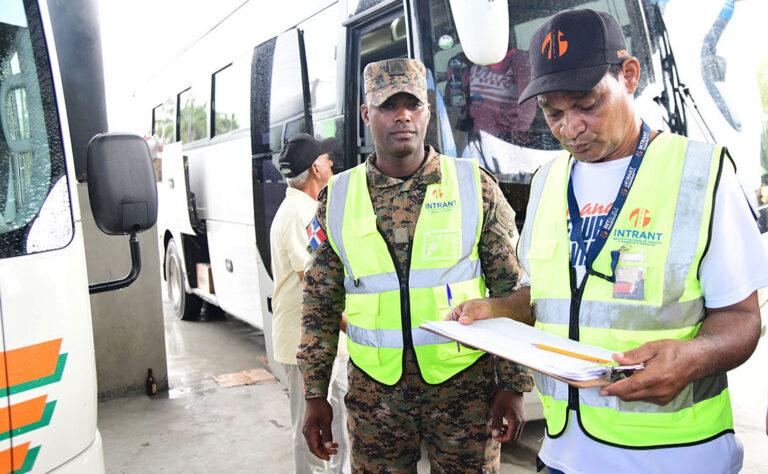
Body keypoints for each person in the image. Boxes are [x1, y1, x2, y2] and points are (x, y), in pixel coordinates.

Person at [453, 9, 768, 474]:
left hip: (676, 458)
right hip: (562, 454)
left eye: (587, 104)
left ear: (630, 76)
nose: (570, 128)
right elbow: (543, 297)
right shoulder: (547, 182)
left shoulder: (700, 174)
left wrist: (693, 357)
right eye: (553, 113)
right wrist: (498, 309)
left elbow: (742, 318)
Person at [298, 58, 532, 472]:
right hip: (376, 398)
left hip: (464, 391)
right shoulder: (337, 197)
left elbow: (511, 293)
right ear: (367, 114)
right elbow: (319, 304)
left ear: (427, 112)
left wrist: (513, 386)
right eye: (389, 105)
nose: (402, 115)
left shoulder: (473, 184)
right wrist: (315, 395)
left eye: (413, 104)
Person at [271, 133, 348, 474]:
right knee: (313, 431)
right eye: (327, 159)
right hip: (308, 343)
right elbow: (317, 285)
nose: (332, 163)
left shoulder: (307, 208)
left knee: (341, 425)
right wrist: (360, 329)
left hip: (326, 342)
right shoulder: (298, 214)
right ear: (316, 168)